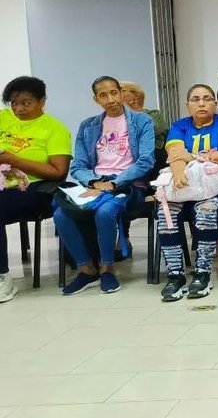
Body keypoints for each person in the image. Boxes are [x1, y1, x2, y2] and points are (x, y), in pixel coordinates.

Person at [56, 76, 154, 295]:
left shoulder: (141, 121)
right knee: (61, 215)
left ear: (121, 92)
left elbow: (145, 161)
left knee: (105, 212)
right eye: (103, 95)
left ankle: (107, 268)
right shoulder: (88, 126)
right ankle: (86, 269)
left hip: (128, 184)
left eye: (114, 92)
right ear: (96, 99)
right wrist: (94, 181)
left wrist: (114, 182)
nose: (110, 99)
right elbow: (79, 165)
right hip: (95, 183)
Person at [158, 84, 218, 302]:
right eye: (195, 99)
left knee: (205, 211)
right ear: (188, 105)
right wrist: (182, 165)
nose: (202, 103)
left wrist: (189, 156)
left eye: (207, 98)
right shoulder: (180, 126)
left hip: (213, 186)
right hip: (183, 185)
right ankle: (175, 275)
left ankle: (202, 273)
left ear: (215, 104)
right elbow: (174, 153)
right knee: (165, 215)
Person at [0, 76, 71, 302]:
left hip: (36, 189)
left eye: (25, 102)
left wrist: (15, 160)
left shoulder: (55, 129)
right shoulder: (3, 118)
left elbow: (58, 171)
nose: (18, 108)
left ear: (42, 101)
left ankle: (3, 278)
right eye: (13, 103)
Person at [120, 81, 168, 150]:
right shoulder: (122, 119)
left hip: (154, 152)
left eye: (123, 90)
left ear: (136, 95)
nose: (120, 93)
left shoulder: (155, 114)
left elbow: (150, 131)